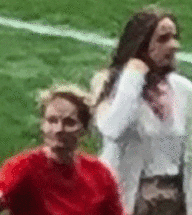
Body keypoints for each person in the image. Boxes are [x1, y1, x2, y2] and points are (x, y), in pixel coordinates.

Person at [91, 7, 192, 215]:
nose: (174, 45)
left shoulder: (184, 90)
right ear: (142, 45)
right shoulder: (108, 83)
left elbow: (189, 161)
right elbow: (113, 129)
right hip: (128, 200)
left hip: (170, 202)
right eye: (163, 39)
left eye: (175, 37)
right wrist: (133, 76)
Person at [0, 85, 124, 215]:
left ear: (83, 129)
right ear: (43, 125)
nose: (59, 129)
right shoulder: (23, 167)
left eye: (69, 122)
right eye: (52, 121)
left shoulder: (99, 174)